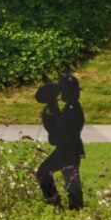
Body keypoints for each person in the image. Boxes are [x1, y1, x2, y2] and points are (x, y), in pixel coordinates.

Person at [35, 73, 86, 210]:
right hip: (69, 148)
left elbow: (60, 132)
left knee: (61, 175)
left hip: (68, 149)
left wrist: (51, 121)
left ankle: (58, 203)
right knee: (69, 177)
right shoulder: (72, 107)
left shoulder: (71, 109)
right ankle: (69, 206)